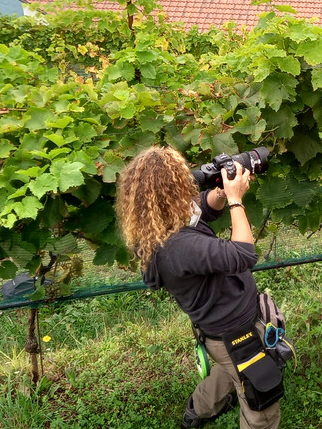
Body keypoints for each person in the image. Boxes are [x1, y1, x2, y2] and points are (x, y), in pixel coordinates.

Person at [115, 147, 281, 429]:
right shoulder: (180, 246)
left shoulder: (159, 226)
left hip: (220, 333)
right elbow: (244, 255)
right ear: (172, 188)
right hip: (235, 332)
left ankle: (197, 411)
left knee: (229, 369)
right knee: (261, 401)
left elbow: (200, 209)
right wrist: (235, 200)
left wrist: (218, 191)